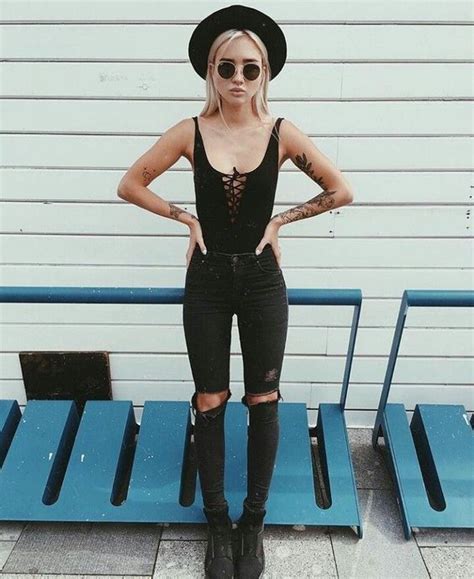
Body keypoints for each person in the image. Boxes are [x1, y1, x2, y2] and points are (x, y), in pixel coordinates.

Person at [117, 5, 355, 577]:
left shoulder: (281, 133)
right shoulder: (190, 132)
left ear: (265, 73)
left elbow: (340, 189)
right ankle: (218, 521)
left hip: (261, 281)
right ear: (211, 72)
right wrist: (186, 218)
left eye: (251, 68)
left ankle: (254, 521)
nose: (239, 79)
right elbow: (130, 184)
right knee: (209, 399)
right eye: (227, 68)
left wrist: (281, 221)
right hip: (207, 281)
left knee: (264, 398)